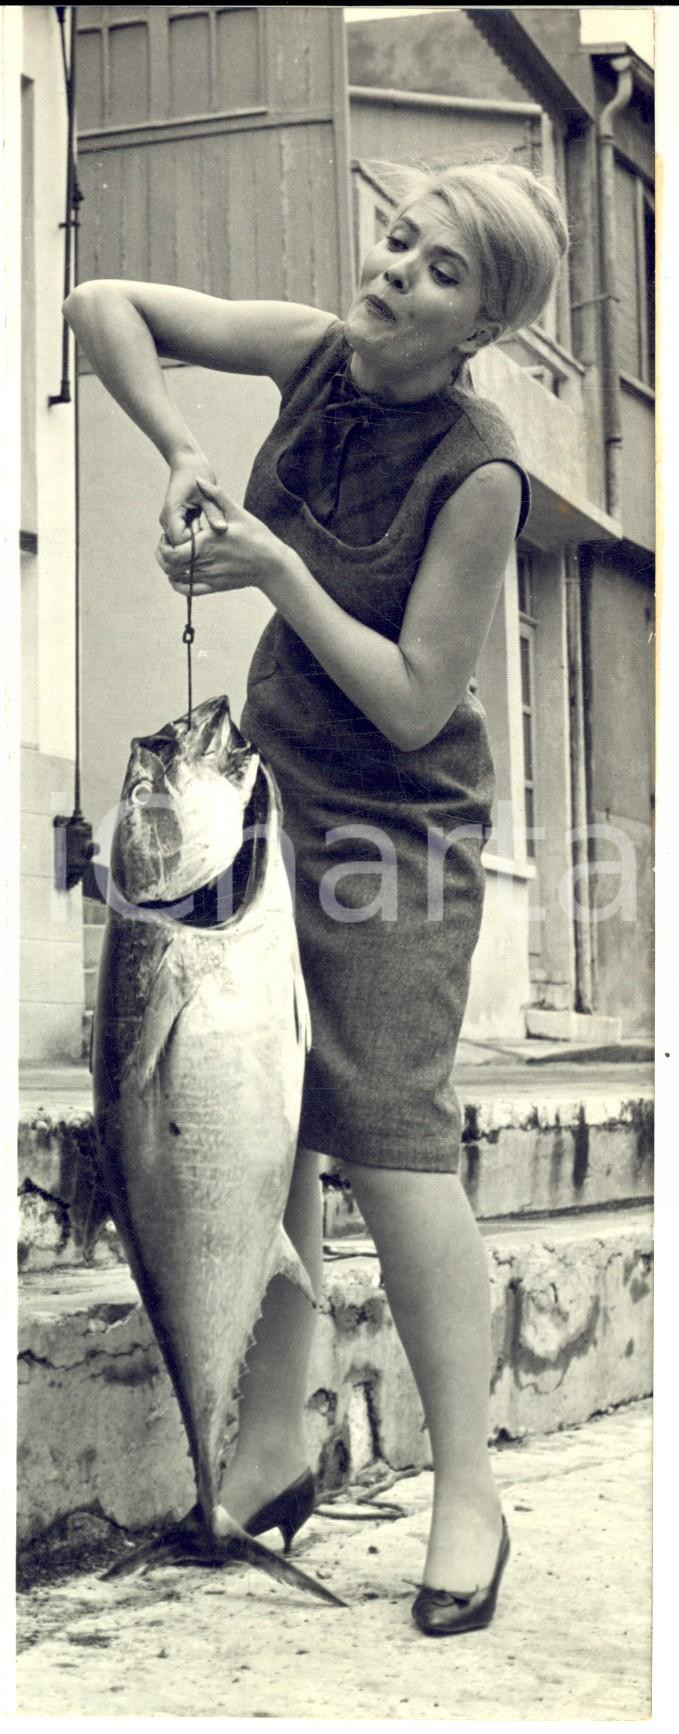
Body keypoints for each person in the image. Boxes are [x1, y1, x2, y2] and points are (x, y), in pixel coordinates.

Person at [64, 159, 568, 1637]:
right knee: (257, 1115)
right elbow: (104, 303)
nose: (395, 270)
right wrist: (174, 453)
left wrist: (274, 563)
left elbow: (419, 703)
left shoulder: (480, 472)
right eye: (398, 239)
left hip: (400, 829)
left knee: (395, 1141)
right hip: (267, 804)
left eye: (440, 268)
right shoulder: (309, 353)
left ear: (484, 322)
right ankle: (272, 1437)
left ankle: (468, 1490)